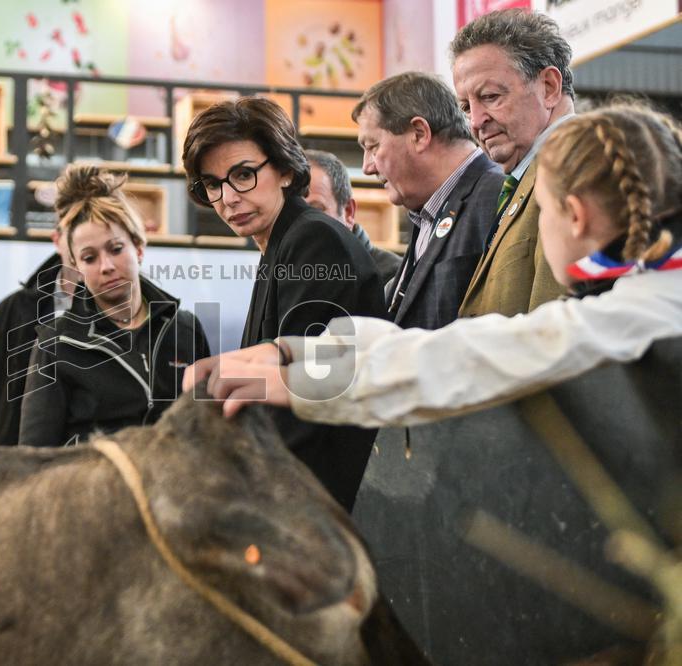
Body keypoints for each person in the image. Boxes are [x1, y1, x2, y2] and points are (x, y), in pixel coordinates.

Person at [184, 104, 682, 428]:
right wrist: (291, 354)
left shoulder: (629, 315)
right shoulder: (646, 294)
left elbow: (459, 358)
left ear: (574, 215)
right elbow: (432, 348)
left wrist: (299, 373)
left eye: (541, 210)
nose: (228, 197)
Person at [182, 96, 387, 511]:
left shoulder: (313, 240)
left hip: (321, 498)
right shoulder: (280, 242)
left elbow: (304, 389)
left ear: (286, 171)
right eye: (213, 183)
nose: (228, 198)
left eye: (243, 174)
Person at [18, 165, 210, 447]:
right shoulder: (56, 343)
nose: (106, 266)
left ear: (139, 247)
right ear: (76, 266)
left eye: (116, 249)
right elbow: (34, 455)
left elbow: (208, 432)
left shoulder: (184, 329)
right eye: (89, 257)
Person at [351, 72, 505, 330]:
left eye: (373, 147)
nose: (367, 167)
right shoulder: (427, 209)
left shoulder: (495, 196)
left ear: (420, 133)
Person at [451, 9, 571, 317]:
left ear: (548, 87)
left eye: (490, 96)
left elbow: (554, 336)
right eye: (466, 106)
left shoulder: (573, 170)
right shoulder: (531, 176)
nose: (476, 121)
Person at [0, 224, 80, 445]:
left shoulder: (134, 312)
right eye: (74, 229)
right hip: (16, 458)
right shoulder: (15, 308)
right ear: (57, 238)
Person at [304, 149, 403, 287]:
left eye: (315, 211)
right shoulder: (284, 275)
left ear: (348, 212)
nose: (301, 225)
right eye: (292, 212)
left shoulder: (394, 279)